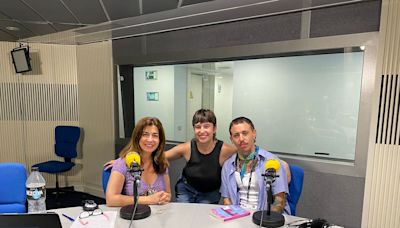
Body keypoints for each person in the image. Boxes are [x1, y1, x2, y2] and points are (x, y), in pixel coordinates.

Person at [220, 117, 291, 214]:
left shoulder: (272, 162)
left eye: (245, 133)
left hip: (265, 217)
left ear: (254, 134)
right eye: (236, 135)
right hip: (238, 216)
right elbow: (226, 200)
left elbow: (279, 201)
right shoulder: (228, 166)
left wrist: (266, 221)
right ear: (231, 139)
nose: (241, 139)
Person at [106, 117, 171, 207]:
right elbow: (111, 200)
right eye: (145, 134)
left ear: (160, 140)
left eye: (155, 135)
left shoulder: (161, 163)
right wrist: (148, 200)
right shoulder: (122, 163)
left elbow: (168, 194)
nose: (150, 139)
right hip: (133, 216)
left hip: (158, 216)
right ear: (137, 137)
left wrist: (165, 197)